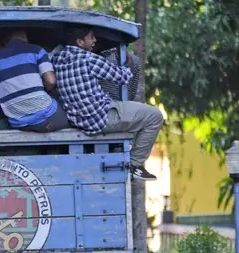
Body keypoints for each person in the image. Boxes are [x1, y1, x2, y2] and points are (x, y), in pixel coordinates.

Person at [51, 26, 163, 181]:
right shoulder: (89, 59)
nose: (95, 41)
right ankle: (135, 164)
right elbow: (122, 77)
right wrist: (129, 63)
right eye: (91, 37)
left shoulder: (57, 59)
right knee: (154, 116)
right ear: (80, 42)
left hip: (78, 120)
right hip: (101, 118)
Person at [0, 29, 69, 133]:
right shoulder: (36, 50)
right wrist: (46, 90)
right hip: (49, 118)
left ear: (5, 42)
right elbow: (51, 81)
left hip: (19, 123)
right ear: (25, 37)